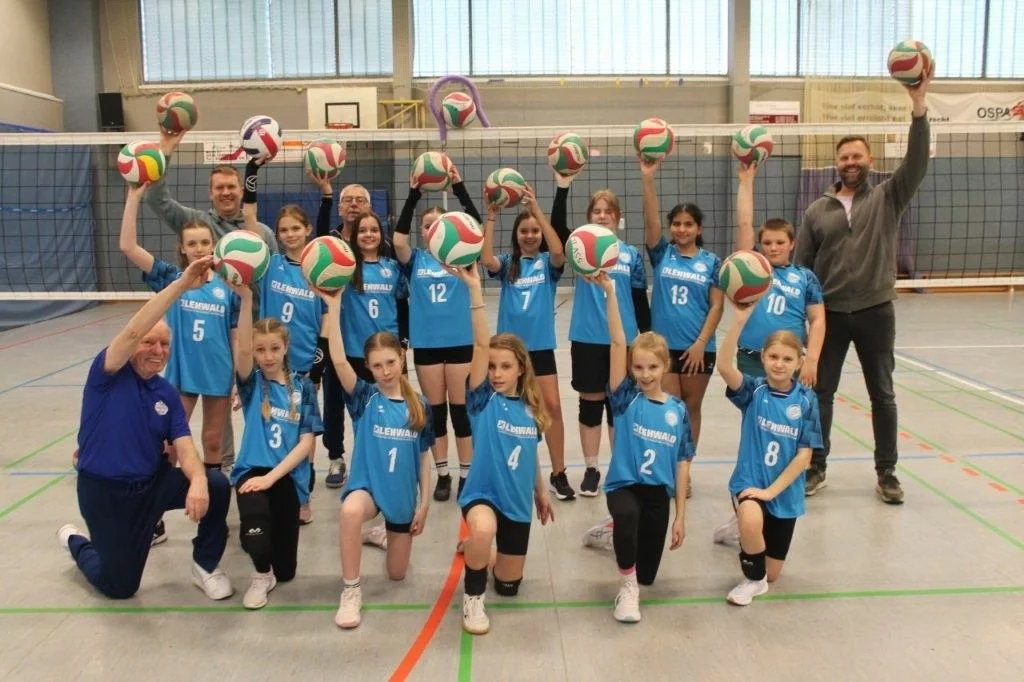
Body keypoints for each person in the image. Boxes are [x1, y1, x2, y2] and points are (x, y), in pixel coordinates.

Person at [794, 65, 933, 504]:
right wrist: (802, 323)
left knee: (883, 395)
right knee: (821, 394)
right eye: (844, 157)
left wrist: (918, 104)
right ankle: (816, 466)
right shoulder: (817, 210)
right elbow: (801, 269)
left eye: (857, 156)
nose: (851, 163)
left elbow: (917, 161)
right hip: (830, 315)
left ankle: (886, 472)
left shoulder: (889, 196)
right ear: (836, 163)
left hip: (876, 310)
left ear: (870, 161)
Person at [57, 256, 233, 601]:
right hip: (104, 493)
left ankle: (205, 566)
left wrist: (198, 480)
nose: (157, 350)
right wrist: (182, 284)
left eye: (164, 345)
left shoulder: (166, 393)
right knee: (120, 586)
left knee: (216, 484)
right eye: (149, 342)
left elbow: (185, 446)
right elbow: (135, 329)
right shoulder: (107, 373)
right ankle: (77, 542)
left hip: (151, 485)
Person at [148, 129, 279, 477]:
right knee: (210, 422)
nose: (225, 192)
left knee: (255, 406)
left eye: (231, 186)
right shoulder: (198, 224)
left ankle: (256, 466)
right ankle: (219, 470)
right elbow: (157, 200)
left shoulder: (261, 234)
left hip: (252, 329)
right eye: (219, 187)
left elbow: (274, 281)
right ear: (210, 192)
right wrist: (165, 149)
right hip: (214, 329)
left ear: (240, 190)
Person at [119, 182, 239, 545]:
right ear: (182, 249)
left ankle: (213, 514)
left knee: (213, 443)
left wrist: (237, 378)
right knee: (169, 446)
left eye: (204, 242)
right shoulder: (172, 278)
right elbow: (128, 247)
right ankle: (154, 516)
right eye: (192, 243)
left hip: (217, 373)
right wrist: (133, 197)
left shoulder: (228, 286)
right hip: (181, 375)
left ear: (213, 246)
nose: (199, 248)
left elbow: (234, 336)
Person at [711, 162, 825, 545]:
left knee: (782, 437)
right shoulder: (754, 269)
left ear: (792, 243)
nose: (772, 248)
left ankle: (765, 506)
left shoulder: (804, 278)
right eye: (767, 243)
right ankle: (745, 511)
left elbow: (818, 319)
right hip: (749, 360)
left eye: (779, 242)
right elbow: (744, 224)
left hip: (786, 366)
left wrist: (812, 359)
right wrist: (746, 180)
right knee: (753, 437)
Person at [320, 291, 433, 630]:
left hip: (401, 496)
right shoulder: (365, 398)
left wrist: (424, 504)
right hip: (368, 488)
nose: (385, 371)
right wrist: (334, 307)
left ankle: (382, 532)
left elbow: (424, 458)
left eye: (390, 362)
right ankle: (351, 590)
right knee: (350, 511)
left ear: (402, 358)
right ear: (368, 367)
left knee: (397, 574)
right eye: (377, 365)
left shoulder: (420, 405)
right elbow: (339, 361)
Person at [453, 263, 554, 636]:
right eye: (492, 366)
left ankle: (481, 550)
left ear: (520, 369)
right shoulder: (483, 401)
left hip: (517, 502)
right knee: (482, 527)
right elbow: (482, 344)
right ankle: (473, 599)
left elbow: (531, 454)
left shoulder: (531, 410)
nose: (496, 373)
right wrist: (475, 291)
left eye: (505, 366)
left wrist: (541, 492)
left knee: (509, 586)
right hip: (482, 494)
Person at [590, 272, 693, 623]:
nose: (645, 374)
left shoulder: (678, 411)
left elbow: (683, 463)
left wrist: (680, 515)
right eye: (638, 367)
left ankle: (613, 533)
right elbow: (618, 342)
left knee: (649, 574)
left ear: (665, 367)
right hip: (625, 486)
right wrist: (610, 293)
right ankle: (626, 588)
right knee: (628, 518)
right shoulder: (625, 399)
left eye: (652, 367)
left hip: (657, 494)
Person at [716, 300, 822, 606]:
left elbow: (804, 458)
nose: (779, 364)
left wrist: (771, 492)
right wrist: (739, 320)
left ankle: (743, 532)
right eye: (773, 356)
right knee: (752, 521)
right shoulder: (754, 391)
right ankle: (752, 579)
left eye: (787, 359)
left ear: (799, 362)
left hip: (783, 493)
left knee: (773, 574)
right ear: (763, 357)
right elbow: (724, 367)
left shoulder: (807, 400)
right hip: (750, 482)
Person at [229, 285, 323, 609]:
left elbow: (306, 443)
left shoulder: (304, 387)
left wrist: (272, 478)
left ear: (285, 348)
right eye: (260, 350)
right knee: (257, 537)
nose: (267, 356)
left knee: (287, 572)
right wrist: (246, 300)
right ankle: (259, 574)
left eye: (273, 348)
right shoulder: (252, 383)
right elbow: (241, 350)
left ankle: (264, 551)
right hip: (252, 470)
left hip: (285, 477)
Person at [393, 162, 481, 502]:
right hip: (427, 345)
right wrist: (414, 193)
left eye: (438, 224)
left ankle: (466, 474)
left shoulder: (463, 256)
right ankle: (442, 474)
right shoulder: (415, 259)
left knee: (461, 412)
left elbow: (476, 227)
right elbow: (398, 239)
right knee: (436, 412)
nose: (431, 229)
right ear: (422, 230)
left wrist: (459, 188)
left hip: (460, 343)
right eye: (427, 225)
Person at [246, 164, 328, 524]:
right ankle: (268, 487)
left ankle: (302, 497)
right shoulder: (270, 265)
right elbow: (250, 219)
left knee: (303, 437)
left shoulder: (320, 270)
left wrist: (317, 368)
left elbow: (327, 322)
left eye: (296, 228)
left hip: (302, 367)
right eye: (283, 230)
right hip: (267, 364)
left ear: (308, 230)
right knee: (268, 428)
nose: (290, 234)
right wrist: (252, 167)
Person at [479, 185, 571, 501]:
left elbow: (559, 250)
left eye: (534, 231)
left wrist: (536, 211)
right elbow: (485, 258)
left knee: (552, 407)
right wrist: (492, 216)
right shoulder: (508, 263)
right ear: (515, 235)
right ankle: (504, 469)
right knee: (507, 410)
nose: (530, 236)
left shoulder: (548, 263)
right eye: (524, 231)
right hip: (509, 351)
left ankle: (558, 473)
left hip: (541, 348)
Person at [314, 180, 405, 490]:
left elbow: (401, 302)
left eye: (360, 200)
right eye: (347, 200)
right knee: (335, 403)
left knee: (381, 403)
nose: (353, 204)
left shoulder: (389, 256)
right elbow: (320, 240)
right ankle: (336, 457)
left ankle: (377, 454)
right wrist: (326, 196)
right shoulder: (341, 259)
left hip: (382, 349)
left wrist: (404, 341)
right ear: (340, 208)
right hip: (345, 346)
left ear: (371, 209)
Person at [558, 186, 650, 496]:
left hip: (623, 339)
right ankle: (591, 469)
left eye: (608, 211)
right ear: (589, 216)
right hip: (587, 336)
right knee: (590, 403)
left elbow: (639, 299)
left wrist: (647, 336)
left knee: (618, 405)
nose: (602, 215)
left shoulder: (631, 254)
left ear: (617, 216)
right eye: (596, 211)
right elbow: (557, 229)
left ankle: (620, 467)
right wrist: (563, 186)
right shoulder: (580, 249)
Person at [641, 156, 724, 484]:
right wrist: (648, 178)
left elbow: (716, 307)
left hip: (698, 349)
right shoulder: (662, 254)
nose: (682, 229)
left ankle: (683, 470)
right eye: (676, 223)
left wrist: (701, 344)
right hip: (663, 349)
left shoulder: (712, 262)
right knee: (669, 408)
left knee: (691, 408)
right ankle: (667, 466)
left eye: (689, 224)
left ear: (698, 229)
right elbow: (651, 223)